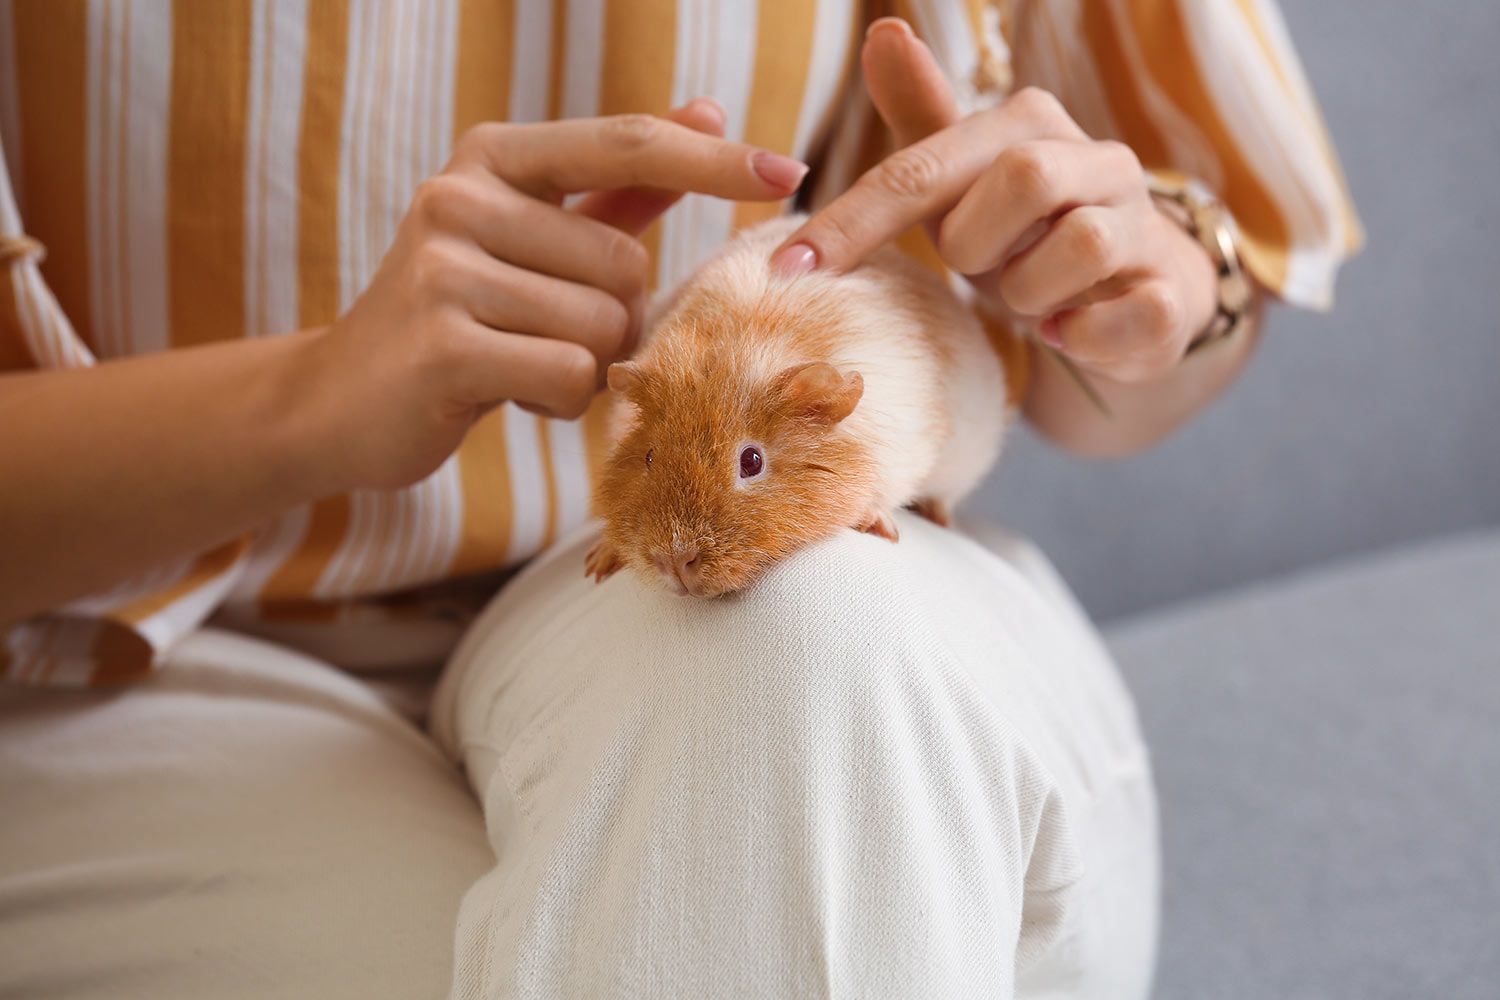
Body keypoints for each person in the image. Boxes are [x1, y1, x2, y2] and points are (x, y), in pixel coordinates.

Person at [0, 2, 1360, 997]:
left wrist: (1143, 282)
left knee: (815, 645)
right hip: (108, 663)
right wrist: (308, 399)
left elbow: (1139, 348)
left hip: (633, 600)